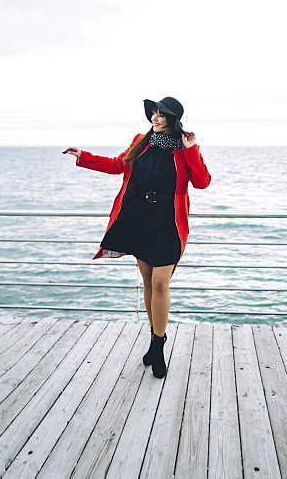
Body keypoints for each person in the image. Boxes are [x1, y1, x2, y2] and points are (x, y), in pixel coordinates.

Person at [63, 97, 211, 378]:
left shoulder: (185, 147)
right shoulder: (141, 141)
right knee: (147, 281)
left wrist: (192, 149)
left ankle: (159, 342)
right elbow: (118, 165)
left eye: (161, 115)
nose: (155, 118)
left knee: (160, 283)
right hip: (140, 220)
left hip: (168, 224)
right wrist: (83, 156)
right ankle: (155, 341)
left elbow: (202, 182)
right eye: (153, 113)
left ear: (173, 118)